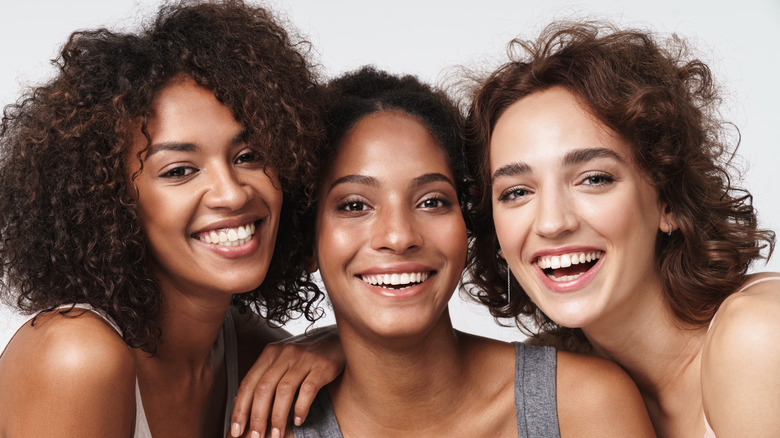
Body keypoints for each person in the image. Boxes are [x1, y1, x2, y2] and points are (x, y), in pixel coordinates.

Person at [0, 1, 342, 437]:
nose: (232, 192)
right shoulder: (76, 357)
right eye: (180, 170)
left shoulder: (260, 352)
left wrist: (342, 345)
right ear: (110, 200)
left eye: (249, 156)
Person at [288, 66, 654, 437]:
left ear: (469, 225)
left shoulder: (582, 405)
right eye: (354, 206)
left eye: (432, 201)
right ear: (307, 241)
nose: (398, 237)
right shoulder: (268, 423)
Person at [464, 22, 779, 437]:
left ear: (667, 198)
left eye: (594, 178)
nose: (553, 222)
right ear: (498, 237)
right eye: (517, 192)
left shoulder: (759, 333)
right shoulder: (558, 386)